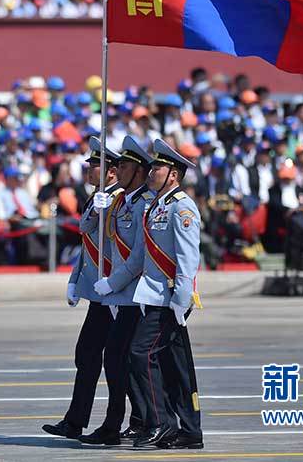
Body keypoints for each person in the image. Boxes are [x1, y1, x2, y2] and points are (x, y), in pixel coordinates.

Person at [42, 136, 121, 440]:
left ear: (111, 170)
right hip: (96, 291)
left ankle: (127, 422)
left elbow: (118, 249)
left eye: (96, 164)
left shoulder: (118, 200)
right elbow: (87, 242)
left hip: (114, 292)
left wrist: (109, 206)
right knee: (87, 355)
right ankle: (75, 421)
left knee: (116, 361)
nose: (89, 169)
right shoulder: (98, 198)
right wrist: (74, 279)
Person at [129, 139, 203, 450]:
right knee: (175, 366)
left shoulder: (182, 207)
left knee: (140, 353)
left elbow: (188, 258)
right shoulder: (157, 205)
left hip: (169, 298)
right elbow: (140, 256)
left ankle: (162, 423)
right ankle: (189, 429)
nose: (151, 171)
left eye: (157, 167)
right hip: (154, 295)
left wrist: (180, 300)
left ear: (173, 174)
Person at [84, 136, 154, 445]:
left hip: (137, 293)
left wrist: (112, 283)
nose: (118, 170)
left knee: (128, 359)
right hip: (119, 294)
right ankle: (120, 423)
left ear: (137, 170)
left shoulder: (145, 204)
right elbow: (89, 232)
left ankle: (142, 422)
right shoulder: (118, 200)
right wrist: (98, 208)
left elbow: (138, 255)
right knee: (116, 358)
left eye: (123, 165)